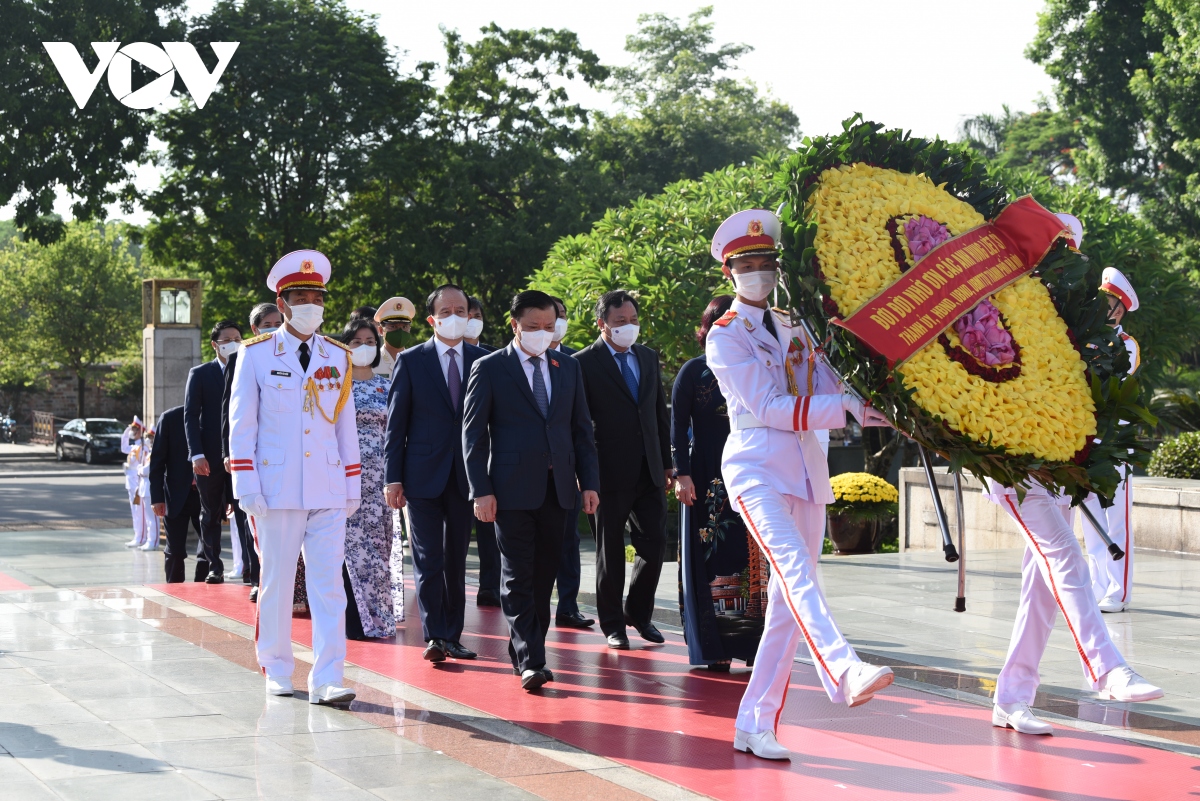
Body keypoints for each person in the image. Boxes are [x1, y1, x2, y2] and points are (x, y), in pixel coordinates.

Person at [706, 209, 896, 761]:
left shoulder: (796, 324)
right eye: (747, 264)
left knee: (788, 609)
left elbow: (829, 383)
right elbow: (766, 406)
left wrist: (879, 406)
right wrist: (848, 408)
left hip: (809, 472)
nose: (759, 272)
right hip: (756, 467)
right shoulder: (725, 337)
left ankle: (754, 722)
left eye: (766, 262)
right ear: (729, 273)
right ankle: (842, 666)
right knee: (792, 572)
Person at [229, 249, 360, 705]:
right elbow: (242, 425)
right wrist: (246, 485)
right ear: (282, 304)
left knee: (328, 585)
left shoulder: (337, 356)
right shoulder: (258, 355)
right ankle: (277, 666)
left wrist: (352, 486)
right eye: (301, 297)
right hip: (276, 488)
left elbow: (345, 427)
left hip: (326, 487)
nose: (312, 306)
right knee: (278, 583)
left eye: (318, 297)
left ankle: (327, 678)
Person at [463, 289, 600, 691]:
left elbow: (581, 431)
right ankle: (532, 659)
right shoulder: (490, 368)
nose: (542, 333)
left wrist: (589, 483)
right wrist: (481, 490)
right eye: (533, 327)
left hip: (559, 490)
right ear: (514, 326)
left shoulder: (567, 367)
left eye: (548, 327)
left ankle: (524, 648)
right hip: (509, 491)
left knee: (544, 577)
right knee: (517, 574)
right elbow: (473, 438)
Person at [385, 284, 485, 662]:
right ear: (431, 319)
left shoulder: (483, 360)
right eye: (446, 312)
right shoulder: (411, 360)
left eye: (461, 310)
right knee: (428, 559)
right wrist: (392, 478)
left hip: (467, 477)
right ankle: (435, 637)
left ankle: (454, 635)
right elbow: (397, 426)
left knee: (456, 560)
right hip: (421, 476)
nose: (455, 317)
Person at [674, 294, 768, 669]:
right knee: (712, 554)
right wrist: (681, 474)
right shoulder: (693, 372)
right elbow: (677, 427)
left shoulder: (757, 367)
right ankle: (715, 648)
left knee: (755, 554)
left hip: (753, 468)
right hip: (706, 474)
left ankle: (752, 646)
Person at [574, 289, 671, 649]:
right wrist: (584, 476)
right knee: (609, 551)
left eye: (632, 321)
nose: (628, 327)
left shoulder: (647, 357)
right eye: (620, 322)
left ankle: (639, 613)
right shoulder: (583, 363)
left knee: (655, 543)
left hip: (650, 469)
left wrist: (667, 464)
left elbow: (659, 413)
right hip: (607, 472)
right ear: (602, 324)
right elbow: (579, 424)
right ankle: (612, 624)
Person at [1079, 267, 1140, 612]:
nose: (1104, 306)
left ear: (1121, 308)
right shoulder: (1086, 337)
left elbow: (1106, 377)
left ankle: (1118, 590)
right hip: (1088, 440)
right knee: (1091, 519)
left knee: (1116, 520)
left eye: (1110, 302)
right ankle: (1098, 585)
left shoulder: (1127, 345)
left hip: (1115, 441)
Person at [340, 318, 397, 639]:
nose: (364, 347)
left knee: (379, 547)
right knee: (350, 549)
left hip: (380, 482)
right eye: (357, 341)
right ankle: (355, 620)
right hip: (344, 479)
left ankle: (379, 619)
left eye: (370, 341)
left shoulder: (389, 386)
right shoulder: (335, 386)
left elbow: (397, 434)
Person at [222, 302, 283, 601]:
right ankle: (256, 576)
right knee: (254, 522)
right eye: (268, 323)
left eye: (278, 321)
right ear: (256, 328)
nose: (275, 326)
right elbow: (231, 412)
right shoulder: (245, 354)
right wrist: (230, 454)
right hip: (257, 457)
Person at [185, 320, 243, 584]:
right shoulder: (200, 374)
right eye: (227, 340)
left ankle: (251, 569)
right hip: (209, 457)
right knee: (209, 514)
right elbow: (190, 416)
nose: (233, 343)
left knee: (244, 511)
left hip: (241, 455)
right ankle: (214, 566)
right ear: (215, 345)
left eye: (237, 338)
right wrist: (196, 454)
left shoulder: (248, 369)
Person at [549, 296, 592, 629]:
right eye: (553, 316)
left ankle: (568, 605)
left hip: (566, 471)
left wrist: (584, 474)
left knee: (569, 542)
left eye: (562, 316)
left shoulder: (575, 362)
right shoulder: (502, 363)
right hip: (525, 473)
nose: (558, 322)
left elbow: (582, 424)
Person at [465, 297, 502, 608]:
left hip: (485, 454)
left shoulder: (492, 359)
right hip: (448, 458)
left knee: (489, 528)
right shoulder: (430, 357)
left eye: (477, 315)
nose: (471, 320)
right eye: (468, 314)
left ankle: (490, 585)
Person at [149, 405, 205, 583]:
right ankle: (174, 591)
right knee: (174, 551)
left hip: (206, 495)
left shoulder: (213, 417)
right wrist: (157, 498)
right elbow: (157, 463)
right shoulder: (170, 418)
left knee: (209, 549)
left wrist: (227, 497)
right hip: (175, 495)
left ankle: (204, 590)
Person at [374, 296, 417, 377]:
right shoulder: (373, 361)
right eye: (393, 327)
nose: (400, 332)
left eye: (404, 327)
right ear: (380, 330)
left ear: (409, 329)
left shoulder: (416, 361)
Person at [135, 429, 160, 551]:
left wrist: (140, 470)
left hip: (150, 487)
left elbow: (146, 470)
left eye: (152, 438)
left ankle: (153, 541)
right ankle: (150, 539)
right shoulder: (149, 452)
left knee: (152, 518)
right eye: (149, 437)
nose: (149, 440)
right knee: (148, 518)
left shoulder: (155, 452)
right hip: (144, 488)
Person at [123, 419, 145, 547]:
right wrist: (127, 431)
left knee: (138, 511)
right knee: (134, 511)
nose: (132, 432)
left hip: (136, 481)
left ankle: (140, 537)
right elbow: (123, 446)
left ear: (140, 431)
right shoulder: (134, 447)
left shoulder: (142, 448)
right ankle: (137, 535)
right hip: (130, 481)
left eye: (134, 429)